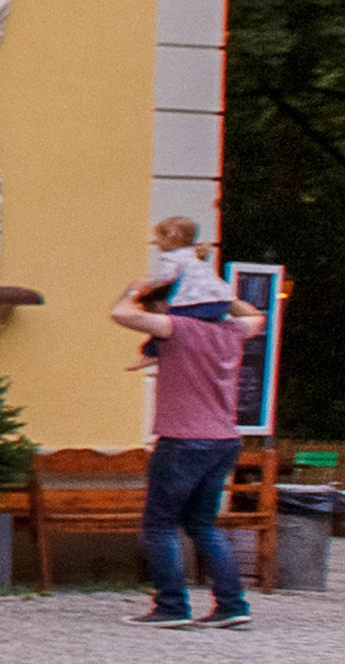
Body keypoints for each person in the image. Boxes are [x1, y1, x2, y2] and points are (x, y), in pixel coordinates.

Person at [106, 255, 264, 628]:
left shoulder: (178, 328)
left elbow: (121, 313)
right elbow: (256, 315)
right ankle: (232, 606)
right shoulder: (232, 331)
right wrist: (227, 296)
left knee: (160, 525)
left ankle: (171, 607)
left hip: (182, 441)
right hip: (224, 440)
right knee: (203, 526)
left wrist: (137, 288)